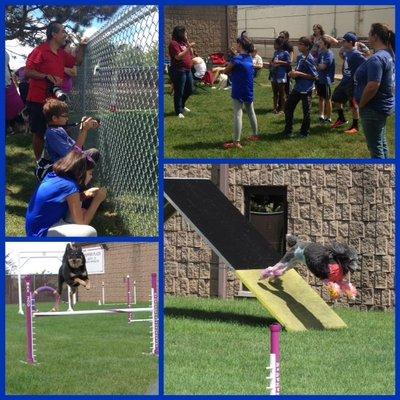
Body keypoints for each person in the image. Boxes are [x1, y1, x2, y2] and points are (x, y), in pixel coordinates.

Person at [25, 21, 86, 160]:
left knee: (62, 129)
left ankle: (64, 161)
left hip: (55, 100)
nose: (66, 34)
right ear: (53, 34)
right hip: (37, 99)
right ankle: (40, 165)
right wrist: (46, 76)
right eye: (63, 32)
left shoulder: (61, 54)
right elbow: (28, 72)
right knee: (39, 133)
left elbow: (78, 61)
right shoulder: (40, 51)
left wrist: (82, 46)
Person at [26, 150, 107, 237]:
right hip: (41, 235)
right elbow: (82, 224)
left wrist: (83, 195)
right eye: (90, 173)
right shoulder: (70, 186)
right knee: (90, 232)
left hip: (34, 230)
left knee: (80, 209)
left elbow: (62, 200)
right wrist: (97, 200)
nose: (91, 176)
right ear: (81, 172)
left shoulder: (53, 176)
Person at [354, 23, 395, 159]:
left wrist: (362, 104)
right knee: (381, 143)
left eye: (369, 34)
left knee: (375, 148)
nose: (368, 37)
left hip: (373, 108)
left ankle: (381, 177)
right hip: (382, 106)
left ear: (375, 36)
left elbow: (373, 86)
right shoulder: (388, 54)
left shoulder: (377, 59)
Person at [221, 31, 259, 149]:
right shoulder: (249, 58)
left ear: (241, 46)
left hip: (239, 88)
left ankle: (236, 142)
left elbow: (226, 71)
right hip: (248, 88)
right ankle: (255, 135)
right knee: (250, 111)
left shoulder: (237, 59)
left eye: (238, 44)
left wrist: (227, 68)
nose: (236, 46)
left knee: (238, 113)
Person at [282, 37, 318, 138]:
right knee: (288, 107)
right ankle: (288, 130)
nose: (299, 46)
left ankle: (304, 132)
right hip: (297, 88)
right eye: (299, 43)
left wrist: (298, 74)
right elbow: (298, 70)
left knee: (306, 112)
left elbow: (314, 76)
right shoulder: (300, 57)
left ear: (307, 47)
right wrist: (292, 73)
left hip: (306, 89)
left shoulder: (309, 58)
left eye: (301, 44)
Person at [331, 32, 366, 134]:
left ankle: (355, 126)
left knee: (353, 105)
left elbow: (367, 64)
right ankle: (341, 119)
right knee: (336, 99)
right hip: (344, 81)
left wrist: (358, 79)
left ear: (350, 42)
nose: (342, 42)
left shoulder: (357, 54)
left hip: (352, 83)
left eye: (344, 41)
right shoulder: (347, 52)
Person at [168, 26, 195, 119]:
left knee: (190, 89)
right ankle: (178, 111)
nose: (186, 34)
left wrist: (188, 43)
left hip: (187, 70)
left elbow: (191, 53)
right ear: (179, 33)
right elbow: (178, 57)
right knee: (179, 91)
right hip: (179, 70)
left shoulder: (183, 43)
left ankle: (182, 105)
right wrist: (188, 48)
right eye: (185, 33)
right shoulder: (173, 44)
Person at [316, 36, 335, 124]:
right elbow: (317, 65)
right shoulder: (321, 53)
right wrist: (317, 66)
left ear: (326, 44)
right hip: (319, 79)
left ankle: (329, 117)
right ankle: (321, 115)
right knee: (320, 97)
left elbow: (323, 67)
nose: (319, 44)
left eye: (321, 42)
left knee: (327, 99)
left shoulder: (329, 54)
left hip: (325, 80)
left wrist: (317, 66)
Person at [269, 37, 291, 114]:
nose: (273, 46)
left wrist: (280, 62)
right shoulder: (275, 53)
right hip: (274, 74)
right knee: (275, 92)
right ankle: (275, 108)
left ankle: (282, 109)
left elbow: (289, 63)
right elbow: (273, 61)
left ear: (280, 44)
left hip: (281, 74)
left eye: (275, 44)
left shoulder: (285, 53)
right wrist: (271, 63)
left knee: (282, 93)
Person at [278, 31, 294, 96]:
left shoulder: (288, 45)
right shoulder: (281, 45)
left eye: (282, 37)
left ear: (287, 38)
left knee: (287, 87)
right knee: (281, 88)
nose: (280, 38)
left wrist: (281, 62)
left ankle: (287, 102)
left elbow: (290, 59)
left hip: (286, 69)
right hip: (281, 68)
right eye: (279, 37)